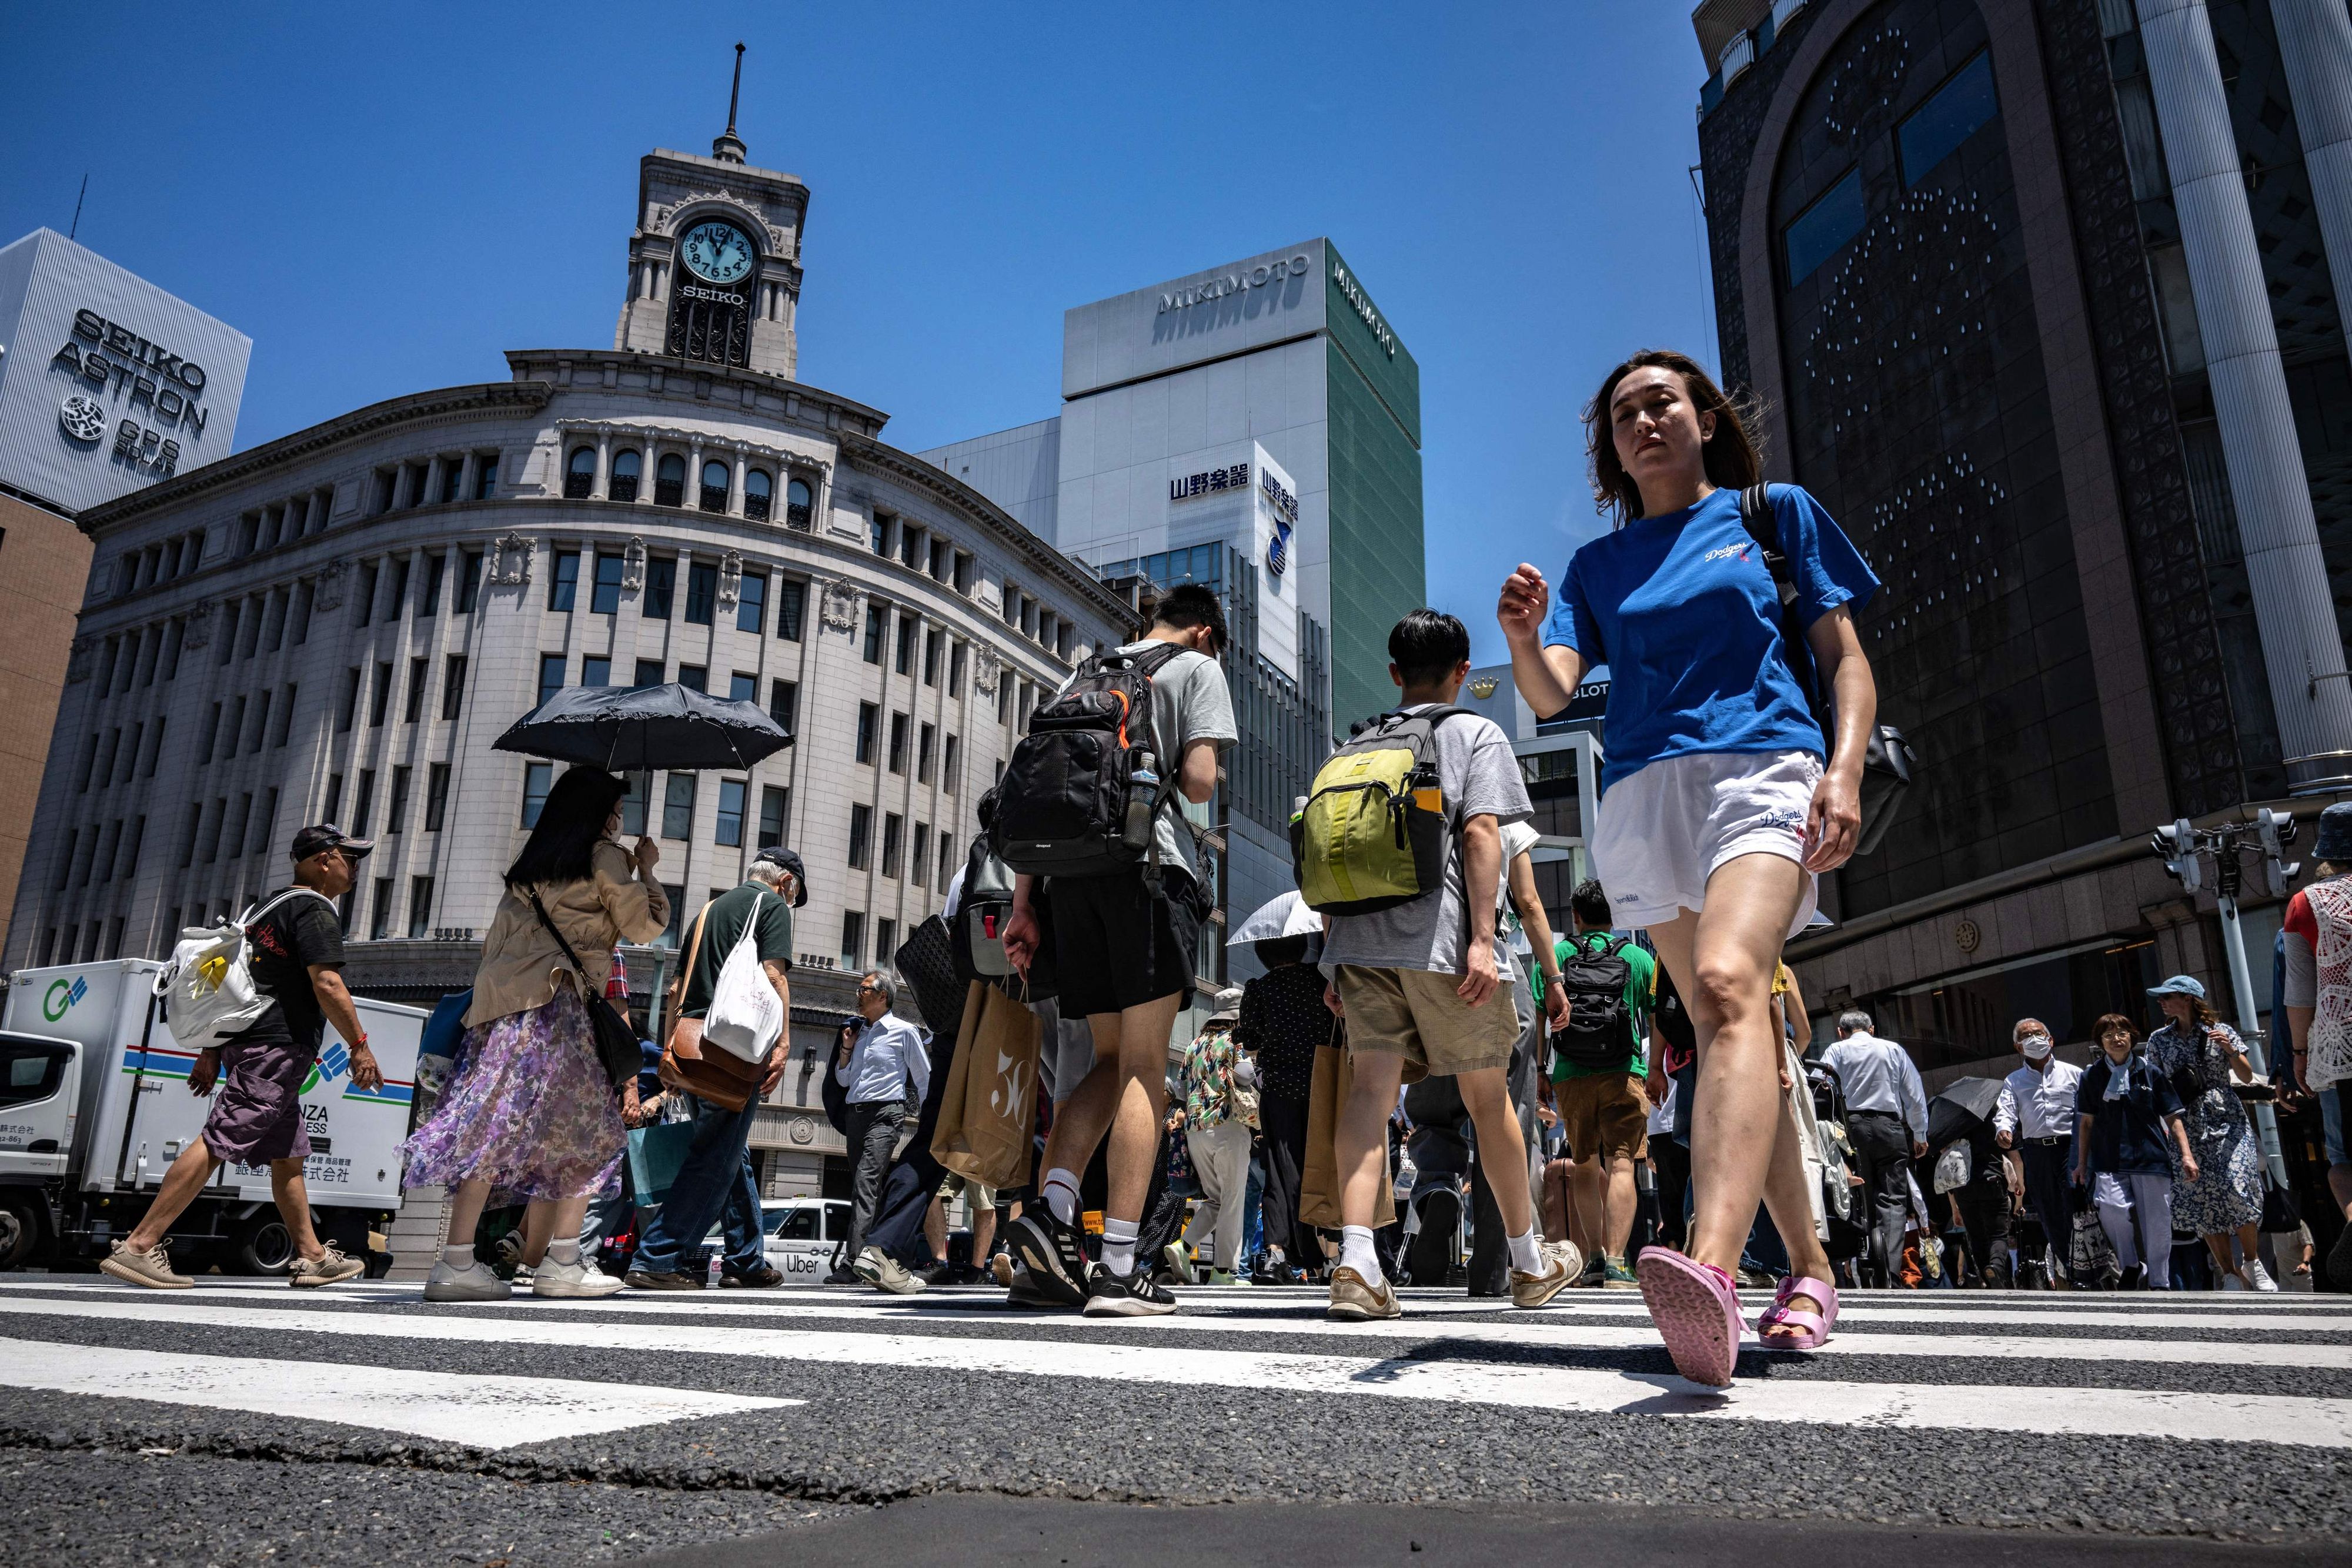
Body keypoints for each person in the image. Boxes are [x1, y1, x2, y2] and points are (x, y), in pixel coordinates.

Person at [1499, 348, 1880, 1381]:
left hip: (1767, 767)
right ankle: (1810, 1268)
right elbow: (1551, 693)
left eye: (1662, 402)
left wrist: (1843, 772)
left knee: (1724, 985)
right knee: (1730, 1028)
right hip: (1644, 796)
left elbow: (1845, 659)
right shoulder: (1597, 568)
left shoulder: (1773, 514)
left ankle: (1709, 1267)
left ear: (1705, 419)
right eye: (1624, 414)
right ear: (1612, 452)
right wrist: (1525, 638)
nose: (1645, 420)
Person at [1319, 609, 1576, 1322]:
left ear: (1394, 673)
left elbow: (1327, 853)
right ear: (1463, 671)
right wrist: (1482, 941)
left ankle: (1356, 1262)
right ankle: (1528, 1263)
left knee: (1368, 1096)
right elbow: (1483, 832)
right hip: (1442, 945)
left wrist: (1331, 958)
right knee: (1488, 1102)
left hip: (1358, 946)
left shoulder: (1353, 744)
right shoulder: (1474, 733)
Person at [1001, 583, 1237, 1316]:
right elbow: (1199, 784)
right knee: (1142, 1067)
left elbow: (1039, 794)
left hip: (1069, 884)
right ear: (1205, 632)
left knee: (1105, 1063)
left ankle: (1051, 1213)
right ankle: (1119, 1265)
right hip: (1147, 873)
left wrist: (1023, 906)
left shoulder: (1083, 672)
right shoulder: (1196, 667)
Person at [407, 770, 670, 1300]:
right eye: (617, 809)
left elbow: (496, 945)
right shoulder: (604, 856)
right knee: (587, 1132)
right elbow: (646, 925)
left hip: (502, 1013)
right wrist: (646, 869)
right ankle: (563, 1261)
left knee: (489, 1128)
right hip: (561, 1009)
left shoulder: (533, 862)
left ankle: (455, 1262)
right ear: (601, 813)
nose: (619, 819)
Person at [103, 825, 383, 1290]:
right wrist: (360, 1045)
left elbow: (231, 983)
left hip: (251, 1043)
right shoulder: (315, 909)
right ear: (323, 861)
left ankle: (312, 1255)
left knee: (288, 1156)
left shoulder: (264, 909)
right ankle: (139, 1245)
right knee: (221, 1138)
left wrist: (212, 1049)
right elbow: (328, 982)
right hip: (276, 1047)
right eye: (350, 859)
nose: (355, 869)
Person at [624, 849, 799, 1290]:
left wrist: (670, 1053)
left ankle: (745, 1259)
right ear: (786, 882)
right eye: (795, 894)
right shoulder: (772, 905)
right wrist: (783, 1043)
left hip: (691, 1047)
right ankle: (658, 1257)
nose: (792, 902)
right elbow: (774, 976)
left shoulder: (707, 911)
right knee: (715, 1159)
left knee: (731, 1155)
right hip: (733, 1051)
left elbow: (675, 989)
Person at [1549, 879, 1656, 1291]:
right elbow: (1654, 1016)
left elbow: (1543, 1014)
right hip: (1624, 1071)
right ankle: (1616, 1263)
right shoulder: (1637, 957)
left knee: (1584, 1165)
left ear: (1576, 916)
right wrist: (1656, 1069)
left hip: (1572, 1074)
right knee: (1622, 1163)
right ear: (1615, 914)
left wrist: (1540, 1072)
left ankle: (1593, 1256)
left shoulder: (1559, 956)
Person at [2144, 975, 2274, 1291]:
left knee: (2237, 1184)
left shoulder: (2221, 1031)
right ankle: (2228, 1273)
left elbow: (2246, 1076)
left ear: (2188, 998)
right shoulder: (2158, 1040)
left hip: (2227, 1118)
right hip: (2185, 1124)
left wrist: (2230, 1050)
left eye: (2168, 996)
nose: (2161, 1002)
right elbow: (2155, 1085)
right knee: (2202, 1197)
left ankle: (2252, 1261)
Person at [1232, 930, 1333, 1283]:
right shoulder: (1321, 980)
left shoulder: (1259, 988)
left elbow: (1250, 1041)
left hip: (1278, 1088)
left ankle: (1276, 1252)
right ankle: (1330, 1252)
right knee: (1322, 1165)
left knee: (1279, 1165)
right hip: (1322, 1083)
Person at [2281, 801, 2352, 1287]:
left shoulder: (2305, 903)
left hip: (2339, 1043)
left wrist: (2300, 1054)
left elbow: (2300, 992)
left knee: (2342, 1157)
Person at [2075, 1012, 2198, 1289]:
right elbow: (2086, 1123)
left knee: (2157, 1222)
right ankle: (2131, 1264)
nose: (2116, 1039)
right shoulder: (2092, 1076)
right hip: (2109, 1159)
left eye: (2122, 1033)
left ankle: (2159, 1280)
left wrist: (2187, 1155)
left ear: (2132, 1037)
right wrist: (2082, 1163)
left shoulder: (2151, 1072)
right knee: (2111, 1209)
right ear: (2100, 1042)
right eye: (2108, 1035)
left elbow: (2173, 1117)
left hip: (2151, 1158)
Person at [832, 971, 931, 1293]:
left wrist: (930, 1121)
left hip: (886, 1114)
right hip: (856, 1116)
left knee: (866, 1182)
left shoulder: (904, 1032)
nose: (858, 994)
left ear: (883, 996)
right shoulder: (858, 1033)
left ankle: (853, 1263)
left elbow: (924, 1078)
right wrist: (847, 1049)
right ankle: (880, 1255)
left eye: (864, 989)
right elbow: (844, 1080)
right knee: (864, 1188)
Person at [1820, 1009, 1929, 1289]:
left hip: (1851, 1128)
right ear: (1871, 1029)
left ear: (1841, 1032)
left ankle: (1864, 1260)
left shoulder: (1836, 1050)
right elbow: (1914, 1094)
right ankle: (1888, 1272)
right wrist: (1920, 1134)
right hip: (1889, 1127)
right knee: (1893, 1199)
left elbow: (1820, 1087)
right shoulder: (1893, 1050)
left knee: (1859, 1195)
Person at [1169, 989, 1253, 1285]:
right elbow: (1246, 1075)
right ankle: (1224, 1271)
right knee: (1233, 1200)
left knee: (1216, 1199)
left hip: (1196, 1132)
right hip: (1229, 1126)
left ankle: (1182, 1247)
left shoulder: (1194, 1045)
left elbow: (1180, 1089)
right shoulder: (1236, 1041)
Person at [1995, 1017, 2083, 1289]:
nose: (2033, 1038)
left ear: (2050, 1039)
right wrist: (2003, 1129)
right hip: (2037, 1152)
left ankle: (2087, 1267)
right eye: (2026, 1036)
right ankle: (2070, 1270)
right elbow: (2006, 1110)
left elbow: (2089, 1112)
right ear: (2018, 1047)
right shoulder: (2014, 1081)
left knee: (2075, 1204)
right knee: (2049, 1212)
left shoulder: (2074, 1073)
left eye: (2038, 1033)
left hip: (2070, 1149)